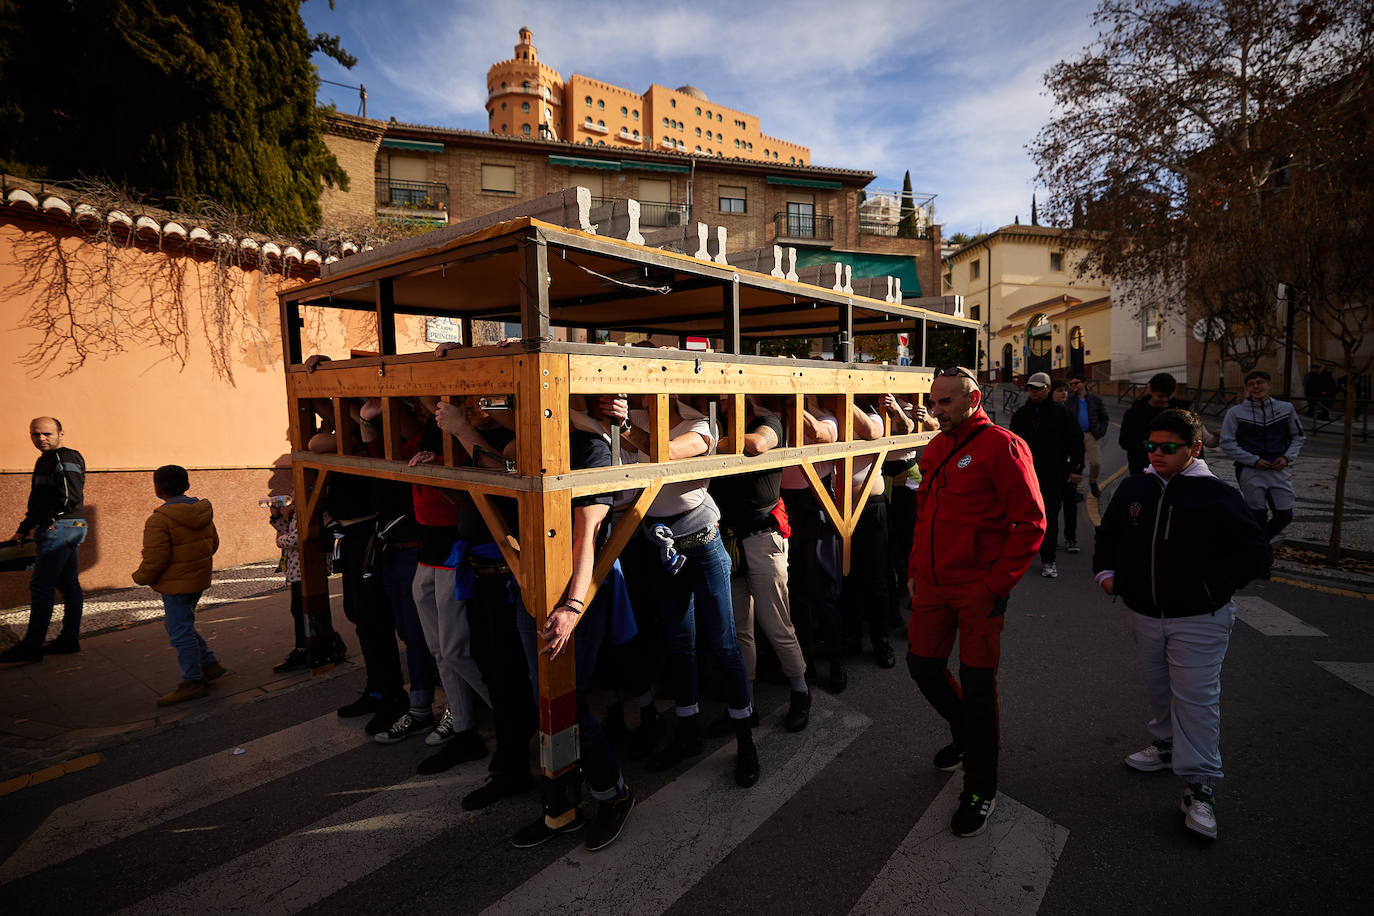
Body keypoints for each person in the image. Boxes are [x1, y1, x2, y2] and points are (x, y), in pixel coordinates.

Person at [1094, 409, 1270, 840]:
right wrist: (1106, 573)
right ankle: (1168, 745)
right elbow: (1110, 535)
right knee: (1160, 689)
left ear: (1194, 448)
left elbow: (1256, 556)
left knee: (1195, 699)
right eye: (1150, 446)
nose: (1155, 454)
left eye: (1167, 447)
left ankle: (1200, 786)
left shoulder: (1216, 495)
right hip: (1144, 612)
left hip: (1199, 618)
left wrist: (1211, 588)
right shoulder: (1135, 486)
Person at [905, 366, 1045, 838]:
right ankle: (967, 735)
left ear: (973, 398)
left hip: (977, 590)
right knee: (923, 667)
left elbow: (1031, 522)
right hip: (932, 585)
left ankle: (981, 787)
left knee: (979, 688)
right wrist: (913, 570)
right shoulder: (938, 446)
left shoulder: (1003, 446)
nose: (936, 410)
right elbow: (925, 514)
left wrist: (995, 585)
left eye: (945, 402)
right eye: (932, 401)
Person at [623, 394, 759, 789]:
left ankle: (745, 740)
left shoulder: (700, 425)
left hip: (701, 547)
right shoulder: (632, 417)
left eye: (647, 388)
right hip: (661, 547)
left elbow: (663, 452)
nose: (640, 395)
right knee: (680, 642)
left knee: (723, 644)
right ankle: (687, 732)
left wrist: (623, 428)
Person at [710, 395, 811, 733]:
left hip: (762, 535)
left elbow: (755, 444)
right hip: (731, 537)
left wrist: (710, 443)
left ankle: (800, 692)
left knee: (776, 623)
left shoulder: (768, 423)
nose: (724, 401)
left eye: (730, 395)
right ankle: (746, 703)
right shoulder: (716, 425)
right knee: (740, 629)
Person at [131, 465, 225, 706]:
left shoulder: (159, 520)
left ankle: (192, 681)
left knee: (179, 630)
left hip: (175, 584)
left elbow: (155, 558)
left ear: (158, 487)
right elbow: (213, 544)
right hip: (197, 580)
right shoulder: (202, 511)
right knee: (182, 624)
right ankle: (209, 664)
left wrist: (140, 577)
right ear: (187, 484)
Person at [2, 417, 87, 665]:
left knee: (42, 586)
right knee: (69, 584)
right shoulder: (44, 461)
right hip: (67, 526)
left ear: (61, 433)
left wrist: (50, 519)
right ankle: (69, 640)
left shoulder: (65, 457)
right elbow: (38, 499)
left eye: (47, 433)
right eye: (36, 434)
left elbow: (69, 495)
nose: (41, 438)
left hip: (60, 527)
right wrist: (24, 528)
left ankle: (33, 644)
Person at [1010, 372, 1083, 578]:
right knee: (1025, 516)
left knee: (1049, 515)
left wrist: (1077, 468)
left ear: (1048, 389)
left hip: (1054, 473)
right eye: (1031, 388)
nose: (1033, 392)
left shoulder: (1062, 413)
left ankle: (1048, 559)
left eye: (1038, 388)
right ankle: (1025, 554)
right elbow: (1012, 444)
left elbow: (1075, 440)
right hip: (1026, 474)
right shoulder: (1021, 414)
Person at [1219, 370, 1305, 540]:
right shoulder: (1235, 413)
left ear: (1269, 385)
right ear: (1246, 388)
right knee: (1257, 516)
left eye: (1260, 382)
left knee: (1284, 515)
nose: (1256, 386)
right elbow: (1226, 442)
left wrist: (1287, 457)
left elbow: (1298, 436)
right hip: (1250, 471)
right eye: (1251, 384)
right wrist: (1253, 460)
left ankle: (1257, 546)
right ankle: (1259, 554)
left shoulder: (1286, 408)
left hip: (1279, 469)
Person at [266, 497, 344, 673]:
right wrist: (276, 516)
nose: (292, 493)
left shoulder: (315, 512)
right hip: (296, 567)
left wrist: (280, 540)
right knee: (299, 609)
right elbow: (288, 532)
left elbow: (296, 539)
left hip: (308, 566)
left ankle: (325, 645)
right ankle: (310, 647)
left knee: (307, 608)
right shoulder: (297, 512)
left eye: (295, 488)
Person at [1119, 373, 1190, 475]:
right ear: (1149, 390)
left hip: (1176, 470)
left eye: (1168, 396)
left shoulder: (1181, 410)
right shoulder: (1135, 412)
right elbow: (1124, 441)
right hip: (1143, 468)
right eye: (1160, 396)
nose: (1165, 400)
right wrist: (1151, 445)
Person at [1051, 381, 1082, 553]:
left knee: (1070, 504)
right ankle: (1051, 538)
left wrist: (1077, 468)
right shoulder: (1045, 413)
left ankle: (1071, 538)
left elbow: (1077, 443)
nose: (1063, 393)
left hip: (1068, 467)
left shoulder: (1069, 413)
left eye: (1065, 391)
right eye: (1059, 390)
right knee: (1052, 507)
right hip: (1050, 469)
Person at [1065, 374, 1109, 497]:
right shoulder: (1070, 400)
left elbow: (1104, 417)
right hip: (1075, 436)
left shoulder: (1095, 399)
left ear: (1084, 383)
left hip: (1091, 435)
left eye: (1076, 383)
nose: (1074, 385)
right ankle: (1078, 489)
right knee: (1077, 464)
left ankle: (1093, 483)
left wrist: (1100, 432)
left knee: (1095, 462)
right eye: (1072, 383)